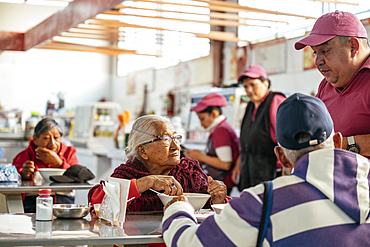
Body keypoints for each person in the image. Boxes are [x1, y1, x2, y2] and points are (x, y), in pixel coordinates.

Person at [161, 93, 370, 246]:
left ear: (281, 157)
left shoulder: (265, 201)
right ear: (338, 141)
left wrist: (177, 208)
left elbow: (188, 243)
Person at [88, 114, 227, 212]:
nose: (175, 146)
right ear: (143, 151)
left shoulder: (189, 171)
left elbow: (210, 207)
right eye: (166, 139)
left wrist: (218, 200)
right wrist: (147, 182)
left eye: (176, 137)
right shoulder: (127, 174)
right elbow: (98, 203)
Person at [294, 10, 370, 159]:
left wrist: (342, 145)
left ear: (353, 47)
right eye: (315, 52)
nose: (317, 61)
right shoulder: (325, 87)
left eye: (325, 51)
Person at [231, 64, 286, 191]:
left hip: (270, 173)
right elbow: (246, 142)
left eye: (253, 85)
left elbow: (284, 141)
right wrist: (239, 165)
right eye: (245, 86)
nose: (249, 90)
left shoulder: (276, 101)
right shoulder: (250, 106)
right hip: (250, 172)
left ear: (265, 83)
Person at [12, 117, 79, 212]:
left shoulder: (69, 153)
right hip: (32, 208)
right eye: (46, 138)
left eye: (56, 138)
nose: (52, 144)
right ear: (35, 139)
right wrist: (23, 174)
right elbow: (10, 180)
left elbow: (78, 177)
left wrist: (58, 163)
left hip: (64, 207)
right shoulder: (24, 156)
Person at [183, 93, 240, 195]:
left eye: (202, 119)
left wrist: (200, 156)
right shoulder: (220, 128)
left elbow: (225, 164)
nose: (201, 124)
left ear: (214, 114)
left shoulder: (221, 131)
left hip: (221, 184)